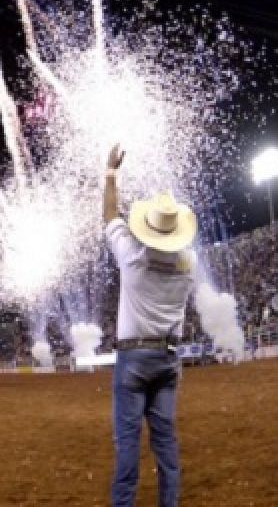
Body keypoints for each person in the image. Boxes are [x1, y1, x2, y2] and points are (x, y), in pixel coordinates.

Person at [103, 143, 197, 507]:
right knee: (166, 443)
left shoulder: (132, 256)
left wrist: (111, 173)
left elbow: (110, 216)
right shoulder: (188, 264)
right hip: (168, 357)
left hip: (133, 356)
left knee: (128, 444)